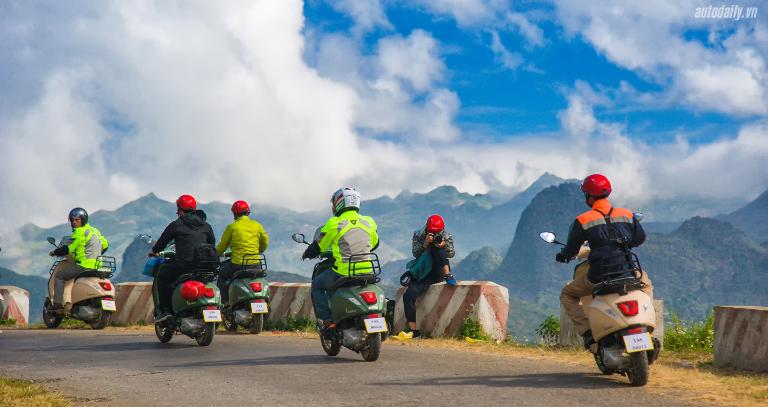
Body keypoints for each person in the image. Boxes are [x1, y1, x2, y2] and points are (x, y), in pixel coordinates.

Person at [557, 174, 654, 348]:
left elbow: (571, 249)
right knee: (645, 285)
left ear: (589, 196)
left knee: (567, 294)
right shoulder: (626, 214)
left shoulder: (583, 220)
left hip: (599, 276)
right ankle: (646, 323)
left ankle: (588, 333)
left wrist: (563, 256)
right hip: (628, 271)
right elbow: (640, 238)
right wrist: (622, 244)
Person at [302, 187, 378, 331]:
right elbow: (374, 243)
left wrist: (307, 254)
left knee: (317, 285)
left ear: (340, 203)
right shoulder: (369, 221)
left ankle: (328, 320)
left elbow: (319, 246)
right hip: (367, 270)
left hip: (343, 272)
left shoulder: (334, 223)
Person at [149, 194, 216, 321]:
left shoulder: (176, 224)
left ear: (180, 209)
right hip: (204, 265)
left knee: (162, 275)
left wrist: (154, 251)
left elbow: (162, 242)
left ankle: (165, 310)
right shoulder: (206, 225)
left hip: (184, 266)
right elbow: (211, 243)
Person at [401, 214, 456, 338]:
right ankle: (413, 331)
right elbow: (415, 253)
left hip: (437, 271)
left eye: (437, 232)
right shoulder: (418, 235)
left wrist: (444, 245)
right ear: (427, 228)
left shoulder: (445, 236)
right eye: (432, 232)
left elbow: (451, 254)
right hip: (422, 271)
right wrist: (425, 244)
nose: (435, 234)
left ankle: (448, 274)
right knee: (408, 296)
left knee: (438, 250)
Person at [49, 208, 109, 309]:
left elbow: (68, 249)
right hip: (98, 266)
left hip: (83, 266)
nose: (74, 222)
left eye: (77, 220)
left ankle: (57, 304)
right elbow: (105, 245)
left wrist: (55, 252)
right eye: (72, 220)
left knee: (60, 276)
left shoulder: (79, 232)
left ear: (83, 220)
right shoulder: (95, 230)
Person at [216, 200, 269, 304]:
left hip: (238, 264)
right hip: (256, 264)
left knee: (221, 274)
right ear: (248, 212)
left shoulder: (232, 227)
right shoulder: (257, 225)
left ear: (234, 214)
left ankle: (225, 303)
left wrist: (215, 254)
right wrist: (259, 250)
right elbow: (265, 243)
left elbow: (222, 245)